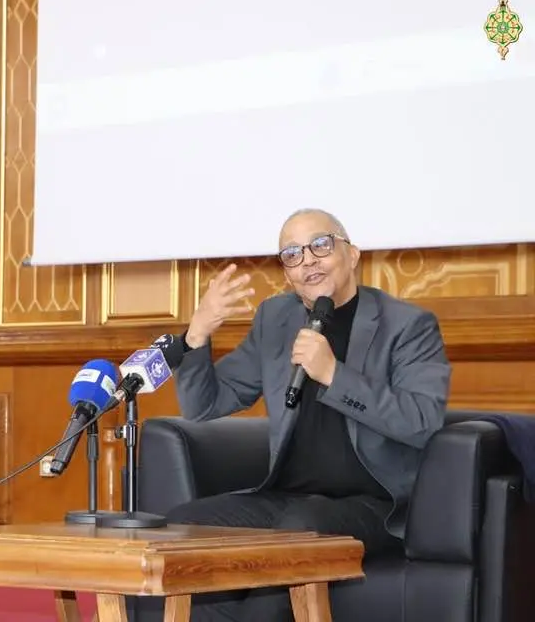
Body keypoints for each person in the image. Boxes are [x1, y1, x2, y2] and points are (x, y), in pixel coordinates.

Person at [156, 209, 452, 622]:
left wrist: (334, 375)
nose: (307, 261)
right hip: (285, 496)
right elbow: (207, 404)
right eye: (292, 254)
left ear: (352, 255)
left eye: (321, 245)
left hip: (373, 504)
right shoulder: (276, 319)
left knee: (298, 527)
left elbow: (422, 421)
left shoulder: (407, 325)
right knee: (183, 526)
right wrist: (197, 335)